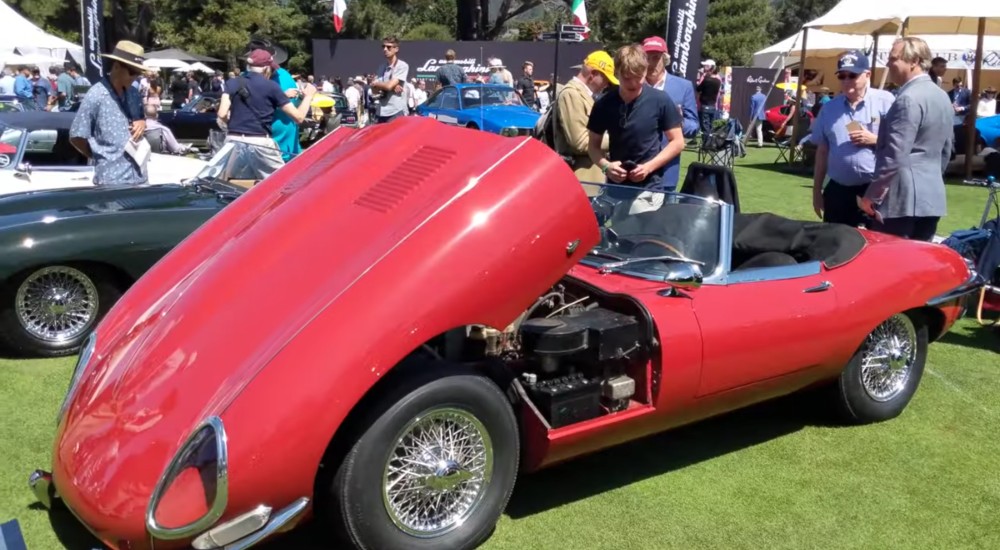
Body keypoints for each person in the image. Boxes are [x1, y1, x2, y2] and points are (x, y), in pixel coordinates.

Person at [859, 37, 953, 241]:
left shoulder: (907, 99)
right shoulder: (942, 96)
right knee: (919, 266)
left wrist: (871, 196)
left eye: (893, 59)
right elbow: (946, 150)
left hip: (901, 202)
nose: (888, 64)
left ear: (914, 61)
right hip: (931, 198)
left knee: (890, 265)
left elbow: (895, 155)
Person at [811, 50, 895, 227]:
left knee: (874, 246)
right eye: (842, 75)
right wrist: (816, 191)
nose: (847, 80)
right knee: (835, 244)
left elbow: (900, 144)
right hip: (838, 190)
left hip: (873, 190)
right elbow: (822, 151)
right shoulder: (829, 109)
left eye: (852, 75)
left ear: (867, 75)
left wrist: (874, 139)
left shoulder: (885, 101)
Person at [587, 44, 685, 191]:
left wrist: (648, 167)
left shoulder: (660, 100)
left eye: (638, 77)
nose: (633, 83)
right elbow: (593, 146)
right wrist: (606, 166)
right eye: (627, 78)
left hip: (649, 188)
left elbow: (677, 142)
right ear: (617, 73)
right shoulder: (604, 103)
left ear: (645, 71)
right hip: (615, 188)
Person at [216, 49, 315, 179]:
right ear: (266, 68)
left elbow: (222, 113)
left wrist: (235, 124)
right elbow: (299, 117)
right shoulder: (272, 87)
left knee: (238, 184)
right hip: (259, 142)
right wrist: (308, 96)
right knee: (280, 181)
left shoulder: (232, 83)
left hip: (233, 140)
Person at [69, 40, 150, 186]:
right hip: (111, 183)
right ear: (117, 66)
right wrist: (101, 156)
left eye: (138, 73)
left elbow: (140, 120)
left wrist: (142, 122)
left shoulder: (134, 94)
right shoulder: (96, 95)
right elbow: (77, 136)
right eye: (132, 72)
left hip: (140, 179)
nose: (135, 78)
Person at [553, 51, 618, 189]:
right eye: (605, 79)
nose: (606, 85)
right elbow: (580, 142)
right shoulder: (571, 94)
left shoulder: (584, 95)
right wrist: (617, 137)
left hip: (590, 178)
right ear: (593, 75)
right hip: (582, 180)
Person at [642, 36, 698, 139]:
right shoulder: (636, 85)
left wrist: (680, 121)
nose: (650, 64)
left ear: (665, 59)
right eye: (646, 58)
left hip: (669, 152)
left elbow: (694, 127)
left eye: (656, 58)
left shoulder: (684, 87)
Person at [372, 36, 409, 124]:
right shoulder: (381, 67)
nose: (385, 49)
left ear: (396, 49)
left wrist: (379, 84)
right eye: (383, 47)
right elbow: (374, 90)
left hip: (396, 111)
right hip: (381, 111)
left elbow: (388, 86)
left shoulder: (402, 65)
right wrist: (391, 86)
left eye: (388, 47)